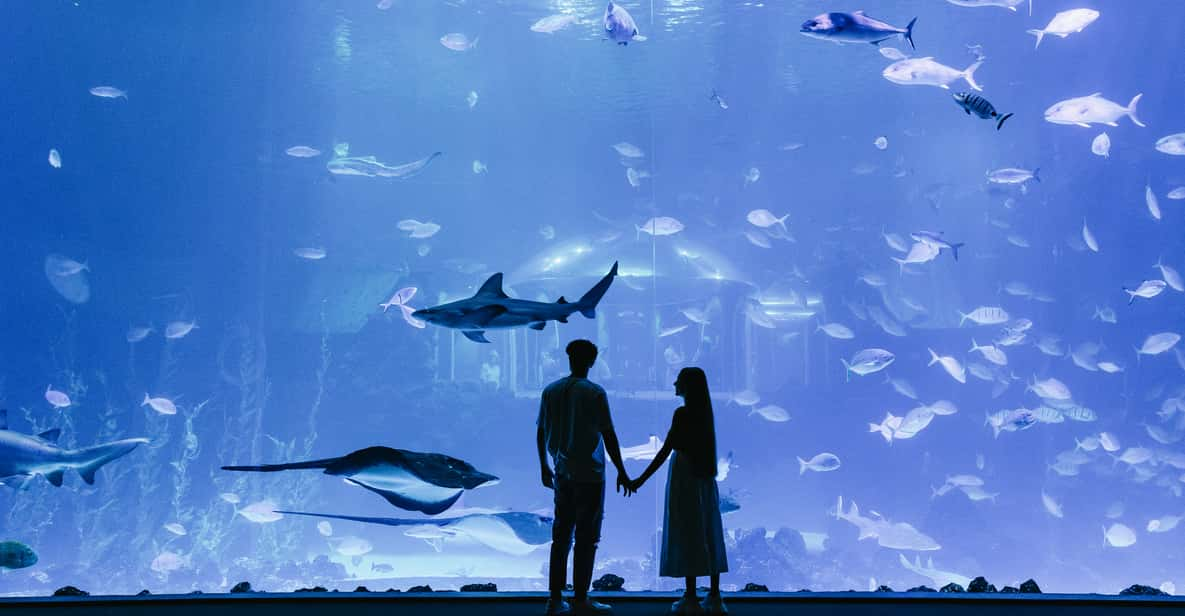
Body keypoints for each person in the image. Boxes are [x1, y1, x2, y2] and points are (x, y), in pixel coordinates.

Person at [537, 339, 631, 615]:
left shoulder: (550, 391)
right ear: (592, 361)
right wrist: (622, 472)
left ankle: (554, 600)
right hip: (590, 474)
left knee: (561, 536)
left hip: (562, 472)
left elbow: (541, 431)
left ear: (569, 358)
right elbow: (609, 434)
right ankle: (580, 600)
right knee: (587, 539)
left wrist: (543, 465)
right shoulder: (595, 393)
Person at [625, 367, 729, 615]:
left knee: (687, 530)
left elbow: (665, 451)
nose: (674, 383)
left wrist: (639, 479)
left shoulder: (682, 414)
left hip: (684, 476)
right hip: (704, 477)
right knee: (708, 528)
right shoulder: (705, 413)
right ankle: (715, 596)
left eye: (679, 380)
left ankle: (691, 597)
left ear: (687, 386)